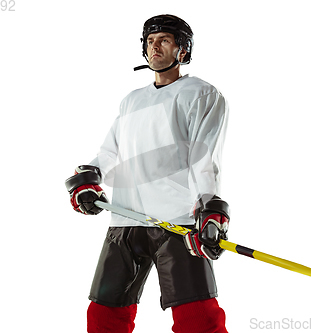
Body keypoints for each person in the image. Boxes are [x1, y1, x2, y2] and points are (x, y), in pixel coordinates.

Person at [64, 14, 230, 333]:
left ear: (183, 51)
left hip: (177, 221)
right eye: (150, 41)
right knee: (103, 315)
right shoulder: (132, 101)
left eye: (164, 40)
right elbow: (110, 151)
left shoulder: (202, 94)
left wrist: (210, 208)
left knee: (198, 320)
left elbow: (204, 157)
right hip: (125, 218)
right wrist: (90, 177)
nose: (155, 47)